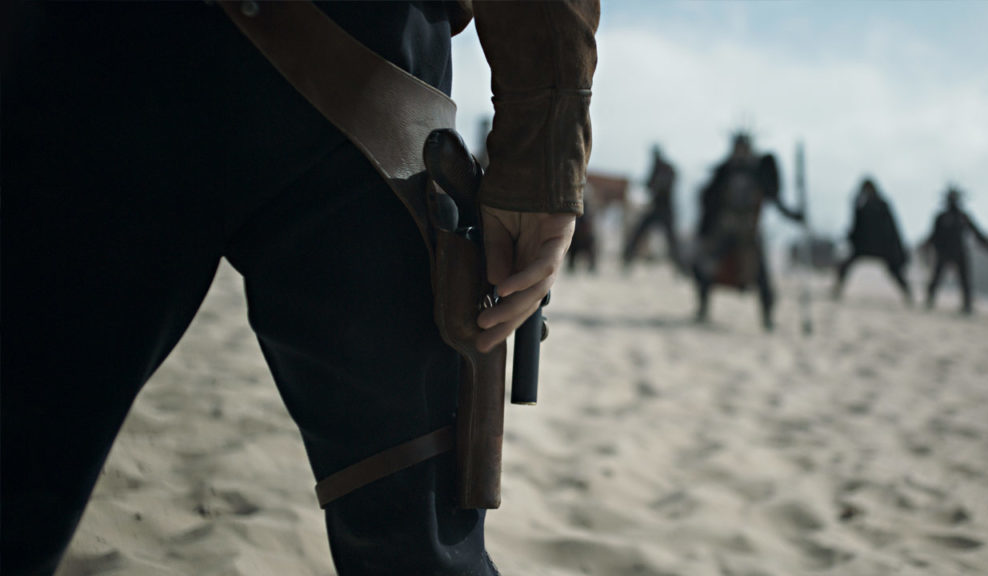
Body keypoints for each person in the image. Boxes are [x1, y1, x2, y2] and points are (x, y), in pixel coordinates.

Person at [0, 2, 599, 575]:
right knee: (419, 545)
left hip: (334, 91)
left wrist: (542, 155)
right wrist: (541, 155)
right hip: (359, 81)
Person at [692, 132, 803, 330]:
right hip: (725, 226)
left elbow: (774, 197)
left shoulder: (758, 171)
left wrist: (793, 215)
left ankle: (767, 317)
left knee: (760, 275)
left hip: (749, 229)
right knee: (706, 265)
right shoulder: (725, 171)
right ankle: (702, 307)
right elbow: (709, 198)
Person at [833, 178, 912, 303]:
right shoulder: (864, 205)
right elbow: (857, 226)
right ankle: (836, 289)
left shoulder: (879, 205)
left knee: (895, 271)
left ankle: (908, 294)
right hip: (867, 246)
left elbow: (890, 228)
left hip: (880, 246)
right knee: (845, 265)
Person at [924, 186, 988, 314]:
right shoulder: (941, 217)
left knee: (965, 280)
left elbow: (976, 232)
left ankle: (967, 305)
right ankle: (929, 300)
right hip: (944, 252)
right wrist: (927, 246)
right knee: (937, 278)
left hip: (959, 252)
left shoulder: (962, 217)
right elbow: (933, 235)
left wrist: (986, 243)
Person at [622, 145, 685, 272]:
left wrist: (655, 186)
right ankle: (627, 258)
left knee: (672, 241)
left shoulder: (667, 168)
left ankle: (681, 266)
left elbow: (666, 184)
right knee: (638, 232)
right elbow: (649, 184)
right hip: (655, 208)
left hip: (666, 209)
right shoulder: (655, 168)